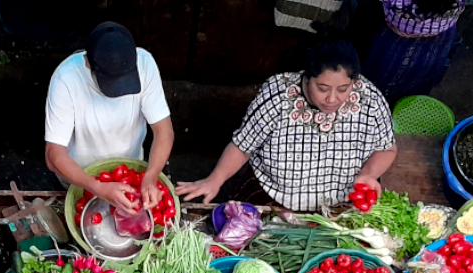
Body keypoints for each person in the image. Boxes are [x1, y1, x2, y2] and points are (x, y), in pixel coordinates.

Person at [179, 40, 397, 212]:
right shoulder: (278, 96)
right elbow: (242, 146)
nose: (332, 98)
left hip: (341, 206)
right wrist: (214, 179)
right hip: (273, 198)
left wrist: (369, 174)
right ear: (307, 77)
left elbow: (387, 147)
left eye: (343, 89)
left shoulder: (369, 99)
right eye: (322, 88)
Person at [44, 22, 174, 214]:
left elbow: (164, 132)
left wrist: (151, 176)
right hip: (79, 178)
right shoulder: (66, 79)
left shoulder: (145, 64)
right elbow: (53, 155)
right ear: (88, 62)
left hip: (129, 175)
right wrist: (96, 187)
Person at [362, 0, 467, 103]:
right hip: (442, 35)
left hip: (397, 41)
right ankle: (409, 104)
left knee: (383, 81)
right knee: (421, 79)